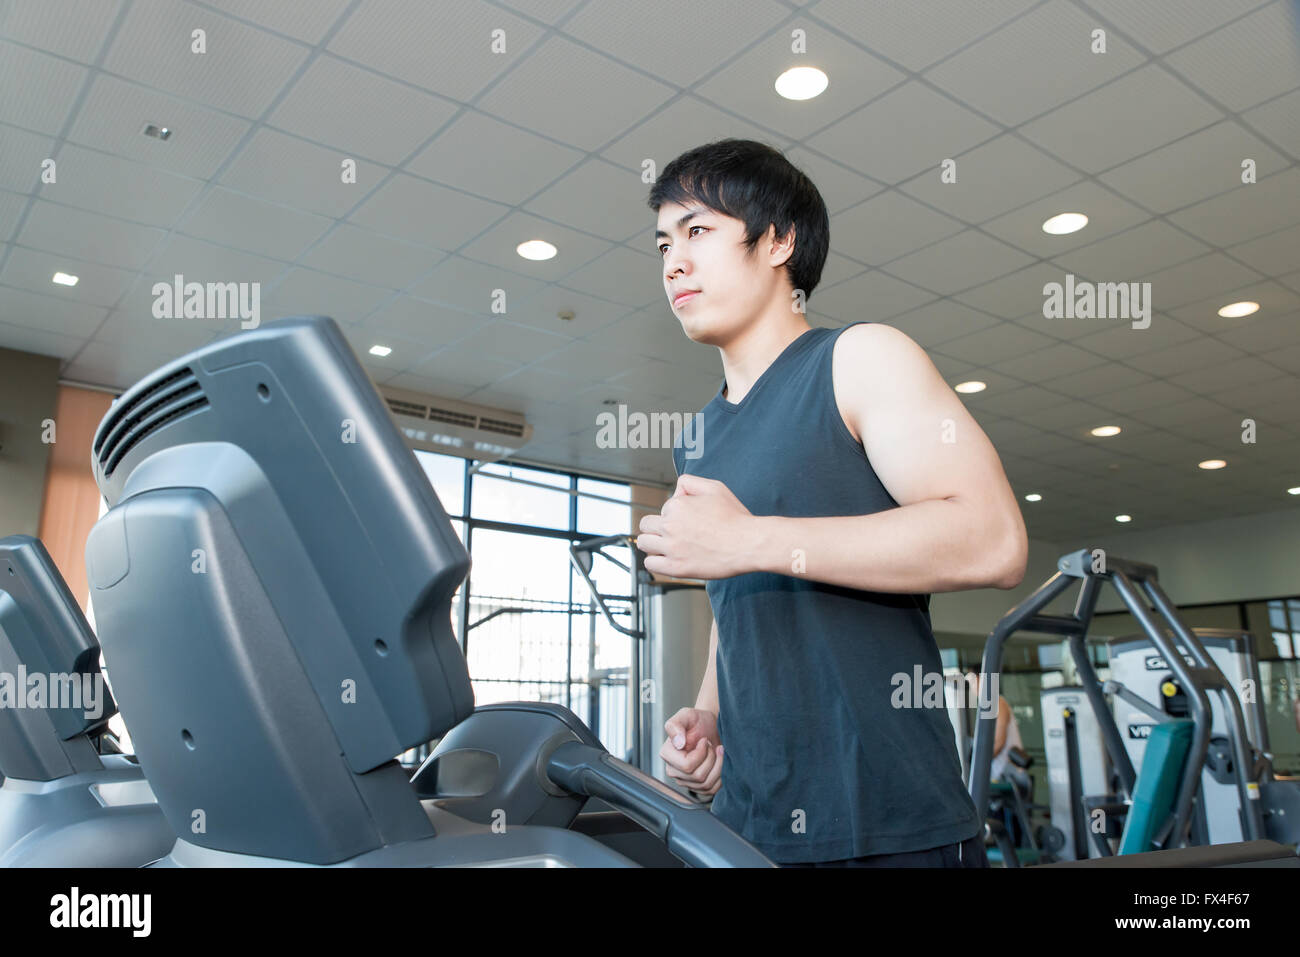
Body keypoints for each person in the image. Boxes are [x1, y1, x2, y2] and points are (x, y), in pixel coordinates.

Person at [637, 139, 1028, 868]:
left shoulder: (859, 359)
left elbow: (993, 538)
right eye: (663, 242)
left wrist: (750, 539)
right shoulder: (697, 437)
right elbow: (739, 603)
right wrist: (710, 719)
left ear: (779, 240)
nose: (672, 262)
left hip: (889, 824)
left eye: (697, 231)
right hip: (751, 827)